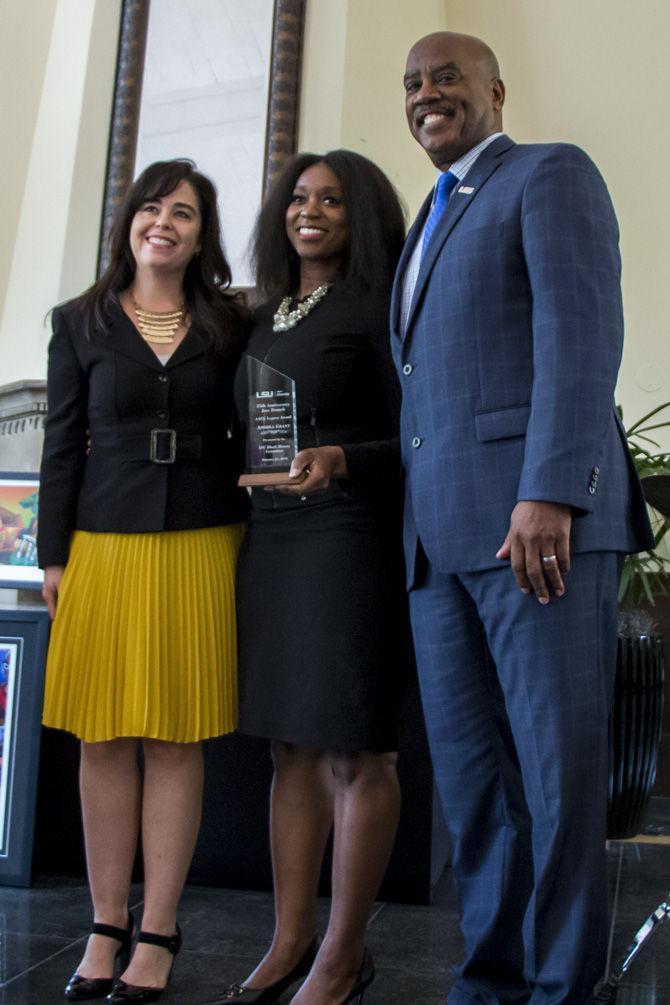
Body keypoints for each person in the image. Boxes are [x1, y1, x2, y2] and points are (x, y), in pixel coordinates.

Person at [393, 31, 654, 1005]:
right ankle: (490, 979)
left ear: (495, 90)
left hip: (533, 532)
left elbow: (581, 334)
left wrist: (547, 489)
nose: (427, 94)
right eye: (413, 83)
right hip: (437, 547)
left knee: (555, 779)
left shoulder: (548, 175)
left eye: (446, 77)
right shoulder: (427, 216)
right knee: (475, 791)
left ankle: (560, 987)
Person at [38, 159, 248, 1003]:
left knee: (176, 735)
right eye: (153, 207)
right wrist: (54, 556)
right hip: (101, 543)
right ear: (129, 220)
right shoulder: (79, 321)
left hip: (201, 541)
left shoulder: (231, 323)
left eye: (185, 213)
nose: (165, 222)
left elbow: (253, 428)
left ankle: (158, 928)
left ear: (202, 235)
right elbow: (59, 444)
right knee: (102, 735)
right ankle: (103, 923)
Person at [206, 150, 407, 1005]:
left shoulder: (383, 305)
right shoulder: (263, 317)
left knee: (356, 747)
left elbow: (420, 438)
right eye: (297, 197)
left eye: (330, 198)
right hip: (274, 540)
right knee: (290, 745)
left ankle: (342, 952)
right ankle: (290, 940)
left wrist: (343, 459)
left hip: (349, 536)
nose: (309, 210)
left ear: (360, 214)